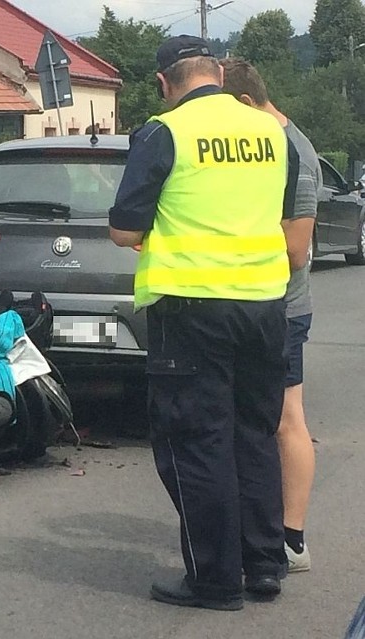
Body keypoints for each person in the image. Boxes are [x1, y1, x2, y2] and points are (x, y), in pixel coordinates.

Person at [108, 35, 300, 611]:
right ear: (218, 71)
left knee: (198, 442)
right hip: (266, 304)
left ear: (164, 83)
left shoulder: (164, 132)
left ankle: (216, 579)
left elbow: (124, 230)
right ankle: (265, 564)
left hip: (192, 307)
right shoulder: (272, 132)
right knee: (254, 433)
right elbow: (283, 217)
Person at [220, 57, 319, 574]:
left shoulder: (294, 151)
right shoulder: (261, 147)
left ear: (242, 104)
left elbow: (297, 250)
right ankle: (261, 531)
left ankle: (292, 539)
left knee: (285, 421)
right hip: (255, 305)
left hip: (283, 308)